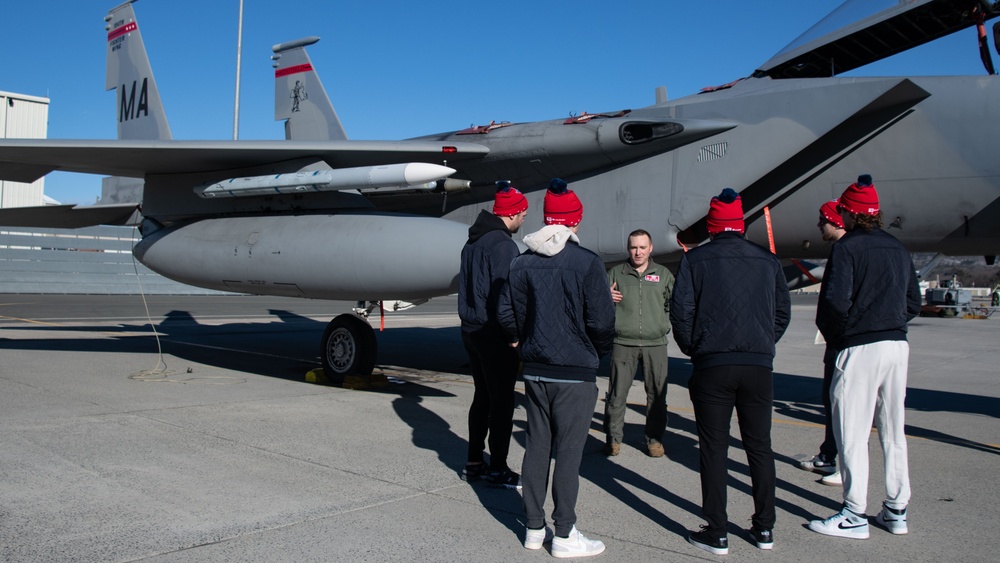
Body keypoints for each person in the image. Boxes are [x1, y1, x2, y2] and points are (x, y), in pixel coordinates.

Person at [498, 178, 615, 558]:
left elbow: (506, 311)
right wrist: (596, 352)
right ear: (574, 222)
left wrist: (519, 338)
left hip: (534, 369)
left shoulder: (522, 261)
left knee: (537, 447)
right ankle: (564, 534)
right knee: (568, 452)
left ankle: (534, 529)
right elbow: (601, 321)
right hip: (575, 372)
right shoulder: (587, 262)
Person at [670, 188, 791, 555]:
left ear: (711, 224)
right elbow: (781, 313)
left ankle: (717, 531)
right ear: (740, 223)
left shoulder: (696, 260)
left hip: (713, 364)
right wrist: (762, 344)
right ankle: (764, 527)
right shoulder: (767, 261)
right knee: (759, 447)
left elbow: (681, 312)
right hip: (758, 365)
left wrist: (696, 347)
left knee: (713, 447)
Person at [809, 175, 921, 539]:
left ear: (850, 213)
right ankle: (896, 509)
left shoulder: (848, 248)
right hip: (897, 346)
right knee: (893, 430)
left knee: (852, 432)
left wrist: (841, 339)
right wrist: (890, 323)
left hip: (860, 346)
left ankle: (854, 512)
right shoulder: (897, 247)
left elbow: (834, 303)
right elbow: (913, 303)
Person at [457, 181, 528, 489]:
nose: (524, 220)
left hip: (470, 331)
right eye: (523, 214)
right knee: (501, 403)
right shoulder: (502, 244)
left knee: (482, 397)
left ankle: (474, 462)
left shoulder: (472, 241)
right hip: (493, 334)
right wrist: (513, 334)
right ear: (513, 213)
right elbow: (505, 296)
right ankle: (498, 467)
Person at [604, 229, 674, 458]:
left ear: (651, 248)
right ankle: (613, 439)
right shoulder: (615, 274)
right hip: (623, 343)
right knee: (616, 394)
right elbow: (598, 306)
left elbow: (671, 304)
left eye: (643, 247)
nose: (638, 252)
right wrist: (606, 297)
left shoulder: (663, 274)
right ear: (628, 248)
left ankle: (654, 440)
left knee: (657, 396)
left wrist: (662, 325)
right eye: (634, 247)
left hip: (656, 344)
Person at [799, 201, 847, 486]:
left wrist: (839, 332)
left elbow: (836, 302)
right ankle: (829, 455)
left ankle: (845, 468)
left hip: (845, 344)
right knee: (832, 402)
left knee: (845, 406)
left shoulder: (847, 251)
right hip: (840, 342)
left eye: (822, 220)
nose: (818, 225)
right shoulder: (843, 250)